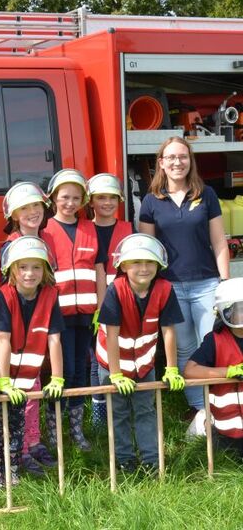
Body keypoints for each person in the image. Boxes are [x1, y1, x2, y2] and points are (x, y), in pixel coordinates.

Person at [138, 136, 229, 433]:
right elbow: (147, 250)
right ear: (161, 163)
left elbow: (219, 241)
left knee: (212, 345)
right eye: (171, 157)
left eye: (183, 157)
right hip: (170, 287)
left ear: (190, 161)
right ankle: (200, 411)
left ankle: (222, 405)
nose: (178, 162)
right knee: (184, 349)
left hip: (206, 284)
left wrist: (224, 283)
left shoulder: (207, 194)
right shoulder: (152, 202)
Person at [96, 233, 185, 472]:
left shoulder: (165, 289)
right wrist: (115, 374)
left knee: (146, 410)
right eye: (136, 262)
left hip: (144, 363)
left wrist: (172, 368)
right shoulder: (115, 290)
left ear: (159, 265)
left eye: (149, 262)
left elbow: (168, 330)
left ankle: (151, 461)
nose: (143, 268)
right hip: (112, 363)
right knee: (119, 412)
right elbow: (112, 334)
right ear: (123, 265)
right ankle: (124, 459)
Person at [0, 236, 64, 489]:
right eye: (23, 267)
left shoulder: (51, 296)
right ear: (11, 270)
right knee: (0, 423)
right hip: (5, 373)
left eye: (36, 267)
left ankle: (21, 460)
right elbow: (2, 340)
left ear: (45, 271)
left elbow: (54, 340)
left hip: (30, 373)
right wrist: (3, 380)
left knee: (26, 416)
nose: (29, 273)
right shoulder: (3, 296)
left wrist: (57, 377)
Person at [42, 169, 106, 451]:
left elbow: (100, 269)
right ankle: (54, 428)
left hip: (86, 314)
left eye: (76, 198)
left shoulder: (90, 229)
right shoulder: (44, 231)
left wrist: (102, 307)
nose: (70, 203)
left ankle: (77, 431)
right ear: (54, 198)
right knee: (62, 370)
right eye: (65, 197)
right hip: (59, 316)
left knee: (82, 368)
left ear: (83, 201)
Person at [0, 182, 56, 469]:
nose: (32, 212)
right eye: (25, 208)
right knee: (19, 392)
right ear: (14, 215)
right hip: (17, 331)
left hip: (41, 324)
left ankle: (34, 442)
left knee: (34, 387)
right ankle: (19, 448)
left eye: (36, 206)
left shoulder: (48, 240)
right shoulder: (9, 247)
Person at [87, 173, 133, 428]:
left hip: (121, 304)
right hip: (88, 306)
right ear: (91, 201)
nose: (107, 202)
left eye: (112, 198)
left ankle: (123, 409)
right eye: (101, 197)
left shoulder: (128, 229)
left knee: (120, 354)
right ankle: (98, 416)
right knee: (96, 360)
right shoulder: (83, 229)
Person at [185, 278, 243, 456]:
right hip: (227, 430)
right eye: (241, 308)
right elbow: (189, 370)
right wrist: (228, 372)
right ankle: (202, 423)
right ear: (227, 311)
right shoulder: (215, 341)